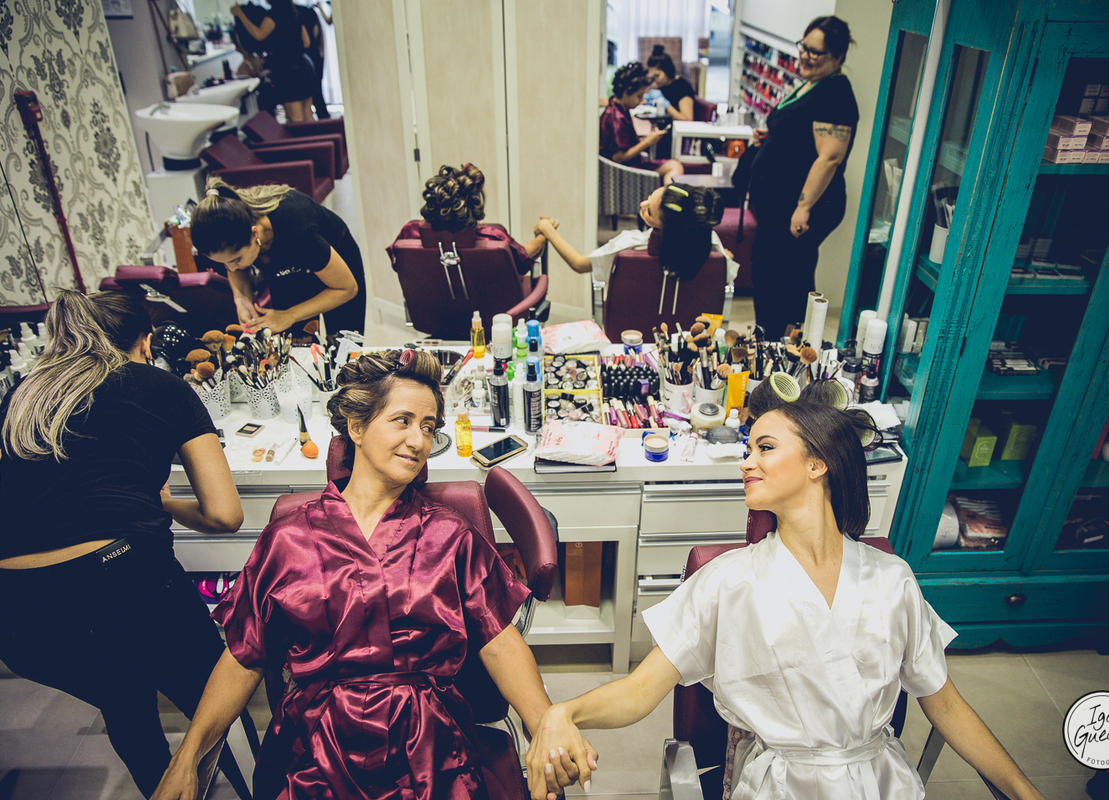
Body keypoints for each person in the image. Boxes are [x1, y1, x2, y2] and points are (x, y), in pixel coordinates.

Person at [525, 400, 1049, 800]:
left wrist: (1024, 791)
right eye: (747, 450)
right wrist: (563, 713)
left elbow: (946, 704)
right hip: (780, 786)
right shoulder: (727, 582)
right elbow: (640, 692)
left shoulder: (893, 580)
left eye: (765, 448)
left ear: (818, 463)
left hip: (881, 780)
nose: (746, 463)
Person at [150, 350, 594, 800]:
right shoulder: (289, 539)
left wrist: (545, 723)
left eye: (428, 427)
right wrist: (188, 755)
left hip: (428, 747)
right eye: (403, 421)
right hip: (315, 750)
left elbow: (500, 643)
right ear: (357, 427)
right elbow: (245, 656)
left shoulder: (449, 535)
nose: (418, 441)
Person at [0, 291, 243, 799]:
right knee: (215, 697)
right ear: (145, 343)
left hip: (9, 606)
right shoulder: (160, 385)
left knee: (124, 699)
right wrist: (164, 503)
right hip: (116, 580)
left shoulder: (25, 392)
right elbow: (225, 515)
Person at [740, 16, 860, 337]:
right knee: (770, 268)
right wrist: (773, 138)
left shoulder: (836, 93)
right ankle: (771, 336)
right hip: (780, 204)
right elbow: (802, 135)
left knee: (784, 271)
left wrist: (803, 207)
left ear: (837, 56)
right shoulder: (812, 83)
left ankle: (782, 340)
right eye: (803, 47)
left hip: (801, 205)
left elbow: (830, 157)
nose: (804, 56)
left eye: (815, 52)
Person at [191, 177, 366, 334]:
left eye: (236, 260)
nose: (231, 268)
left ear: (254, 234)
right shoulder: (235, 228)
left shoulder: (297, 227)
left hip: (338, 269)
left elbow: (346, 288)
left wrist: (291, 314)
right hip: (288, 268)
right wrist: (241, 298)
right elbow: (234, 265)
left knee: (344, 345)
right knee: (294, 343)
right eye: (225, 263)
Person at [538, 183, 737, 287]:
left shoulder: (630, 245)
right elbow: (727, 270)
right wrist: (725, 256)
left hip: (631, 333)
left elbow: (579, 264)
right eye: (649, 197)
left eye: (649, 211)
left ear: (665, 227)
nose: (642, 204)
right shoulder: (709, 243)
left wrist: (548, 229)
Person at [394, 163, 549, 276]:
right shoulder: (492, 239)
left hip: (433, 311)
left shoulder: (410, 234)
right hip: (495, 311)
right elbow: (523, 256)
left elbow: (398, 265)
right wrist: (544, 233)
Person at [600, 61, 685, 185]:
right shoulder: (616, 118)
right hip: (625, 170)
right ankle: (668, 196)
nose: (641, 101)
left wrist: (648, 139)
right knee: (674, 167)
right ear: (626, 93)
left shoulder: (620, 110)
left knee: (674, 165)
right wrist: (647, 142)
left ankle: (667, 194)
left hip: (631, 165)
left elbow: (624, 144)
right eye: (639, 96)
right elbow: (618, 157)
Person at [231, 0, 315, 121]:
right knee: (308, 113)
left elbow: (259, 35)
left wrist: (240, 14)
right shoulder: (294, 13)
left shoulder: (274, 14)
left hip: (288, 70)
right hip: (305, 65)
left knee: (296, 117)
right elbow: (306, 43)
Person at [647, 44, 697, 122]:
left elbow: (687, 119)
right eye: (653, 77)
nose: (655, 80)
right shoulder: (663, 85)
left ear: (667, 70)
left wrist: (666, 105)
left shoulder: (682, 87)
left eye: (657, 75)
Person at [297, 1, 330, 119]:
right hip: (314, 54)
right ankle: (324, 117)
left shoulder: (295, 14)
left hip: (304, 58)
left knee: (307, 100)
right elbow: (316, 33)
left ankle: (323, 118)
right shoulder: (308, 12)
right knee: (316, 92)